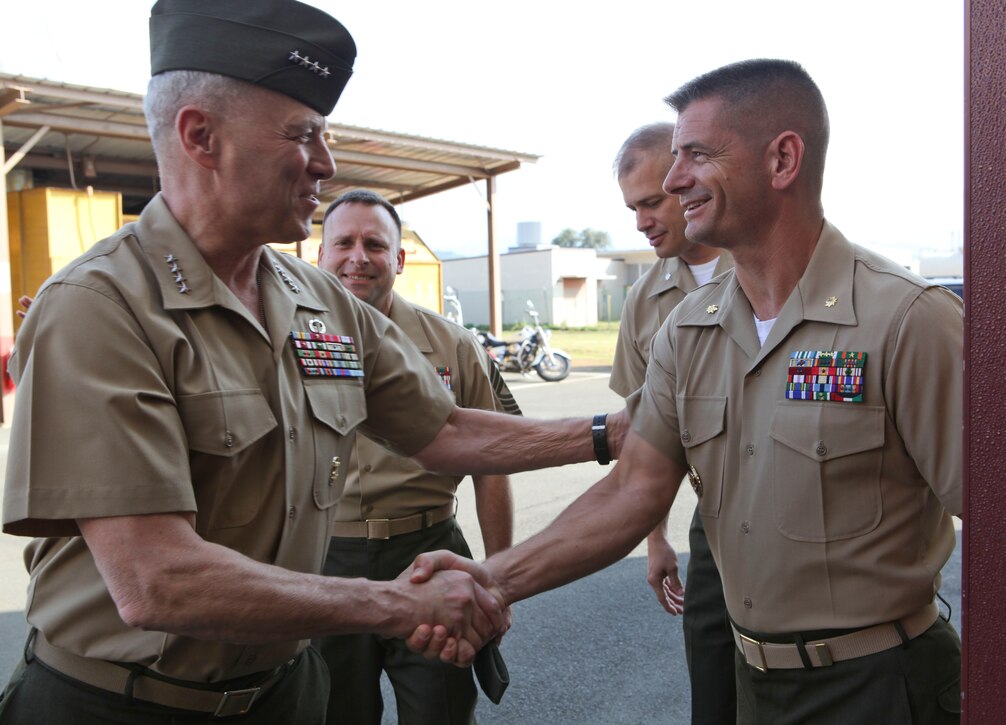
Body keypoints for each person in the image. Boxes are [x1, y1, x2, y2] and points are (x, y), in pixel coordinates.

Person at [0, 2, 623, 723]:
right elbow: (157, 579)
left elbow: (443, 428)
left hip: (285, 692)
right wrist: (401, 602)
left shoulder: (316, 297)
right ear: (201, 135)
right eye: (302, 136)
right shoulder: (101, 306)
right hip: (123, 704)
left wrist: (608, 431)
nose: (326, 163)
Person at [414, 58, 963, 724]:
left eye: (695, 155)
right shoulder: (687, 330)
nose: (673, 180)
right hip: (754, 682)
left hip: (882, 688)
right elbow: (632, 489)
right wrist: (491, 579)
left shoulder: (907, 320)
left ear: (783, 158)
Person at [313, 189, 516, 724]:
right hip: (326, 563)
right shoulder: (283, 341)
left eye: (375, 244)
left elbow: (491, 465)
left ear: (399, 259)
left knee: (440, 714)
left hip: (430, 557)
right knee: (334, 712)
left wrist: (497, 575)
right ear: (321, 254)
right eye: (344, 243)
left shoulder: (454, 345)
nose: (359, 256)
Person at [610, 122, 736, 724]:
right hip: (712, 531)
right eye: (633, 208)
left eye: (653, 202)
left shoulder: (770, 268)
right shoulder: (644, 299)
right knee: (714, 693)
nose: (641, 221)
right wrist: (655, 537)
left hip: (807, 527)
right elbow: (645, 440)